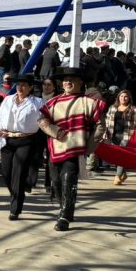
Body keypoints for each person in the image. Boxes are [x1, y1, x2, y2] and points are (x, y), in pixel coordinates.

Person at [40, 66, 107, 231]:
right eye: (65, 80)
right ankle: (65, 209)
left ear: (80, 82)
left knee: (68, 180)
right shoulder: (53, 102)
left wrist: (89, 147)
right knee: (56, 183)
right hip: (55, 149)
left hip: (76, 149)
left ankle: (64, 216)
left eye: (72, 80)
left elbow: (100, 126)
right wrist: (55, 131)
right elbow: (42, 121)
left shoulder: (90, 102)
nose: (68, 82)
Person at [0, 74, 47, 220]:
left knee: (19, 171)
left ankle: (15, 209)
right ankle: (18, 192)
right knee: (6, 173)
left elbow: (45, 120)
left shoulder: (38, 102)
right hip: (7, 140)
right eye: (18, 85)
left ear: (30, 88)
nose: (20, 88)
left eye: (24, 85)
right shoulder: (8, 100)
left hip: (26, 140)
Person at [98, 89, 136, 185]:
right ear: (118, 97)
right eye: (121, 96)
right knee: (116, 156)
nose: (123, 98)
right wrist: (104, 132)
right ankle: (123, 173)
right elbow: (107, 121)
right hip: (113, 134)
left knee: (121, 155)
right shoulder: (112, 108)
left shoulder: (133, 109)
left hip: (127, 135)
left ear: (129, 98)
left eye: (125, 96)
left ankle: (117, 176)